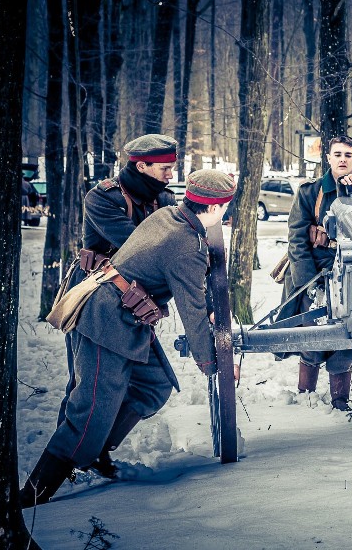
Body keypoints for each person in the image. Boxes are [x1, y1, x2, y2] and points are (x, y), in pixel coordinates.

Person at [22, 169, 236, 508]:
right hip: (104, 319)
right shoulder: (185, 245)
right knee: (90, 408)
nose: (226, 213)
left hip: (125, 314)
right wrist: (213, 363)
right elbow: (192, 311)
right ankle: (35, 492)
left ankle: (96, 450)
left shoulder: (170, 215)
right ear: (214, 208)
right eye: (225, 206)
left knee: (153, 385)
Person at [56, 134, 179, 479]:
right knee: (88, 392)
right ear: (142, 166)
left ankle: (93, 451)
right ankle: (55, 474)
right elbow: (138, 247)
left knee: (153, 385)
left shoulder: (164, 199)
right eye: (165, 168)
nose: (171, 174)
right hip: (95, 301)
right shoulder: (103, 197)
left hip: (134, 306)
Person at [282, 135, 352, 410]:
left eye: (348, 155)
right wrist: (307, 282)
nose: (342, 159)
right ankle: (306, 395)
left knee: (347, 336)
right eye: (337, 154)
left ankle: (340, 400)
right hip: (315, 272)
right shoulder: (310, 191)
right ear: (328, 158)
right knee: (311, 335)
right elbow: (296, 239)